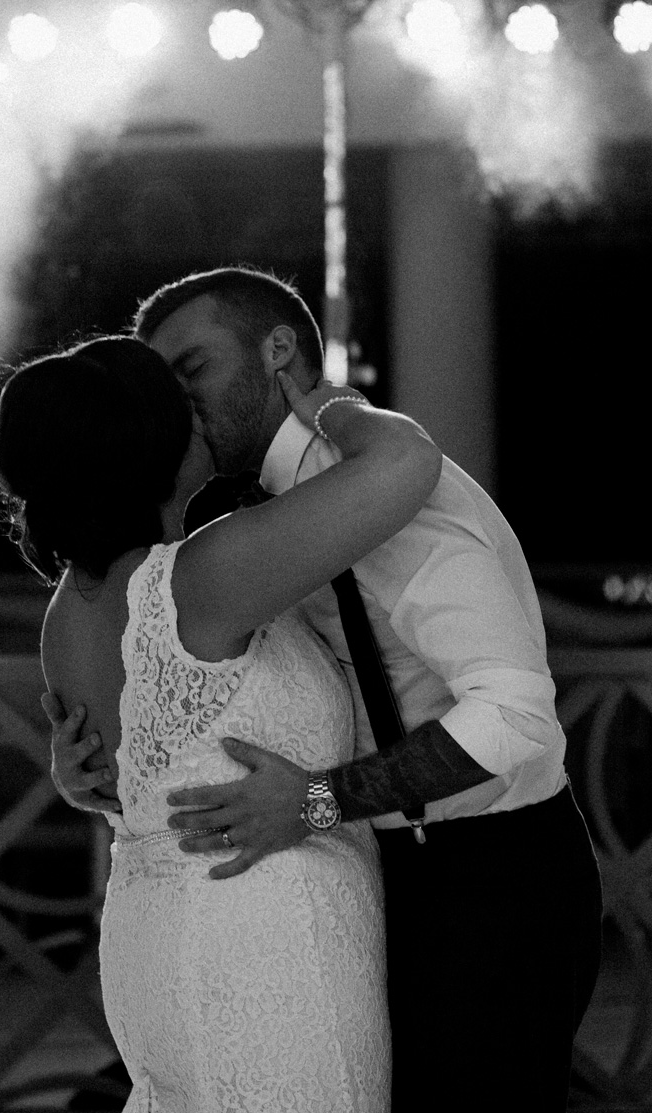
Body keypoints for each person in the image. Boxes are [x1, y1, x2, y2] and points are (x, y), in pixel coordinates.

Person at [47, 267, 604, 1113]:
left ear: (278, 350)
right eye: (160, 386)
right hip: (371, 882)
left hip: (486, 878)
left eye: (191, 368)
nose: (176, 403)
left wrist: (313, 801)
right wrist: (117, 758)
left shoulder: (390, 486)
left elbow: (516, 719)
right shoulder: (257, 524)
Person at [0, 332, 443, 1113]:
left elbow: (131, 776)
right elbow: (406, 464)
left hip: (157, 937)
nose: (200, 416)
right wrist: (327, 400)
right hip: (260, 949)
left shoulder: (70, 608)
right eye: (183, 402)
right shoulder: (203, 575)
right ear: (157, 435)